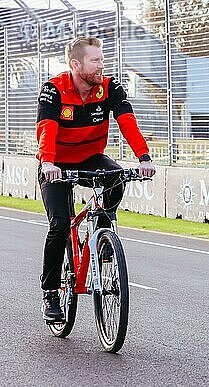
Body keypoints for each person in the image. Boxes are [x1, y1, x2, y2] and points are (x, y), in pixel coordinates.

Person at [36, 37, 156, 322]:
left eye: (102, 60)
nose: (102, 65)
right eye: (95, 61)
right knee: (60, 225)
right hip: (56, 162)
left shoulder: (110, 87)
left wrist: (144, 157)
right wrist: (49, 162)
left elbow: (128, 122)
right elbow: (46, 129)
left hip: (90, 157)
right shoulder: (54, 90)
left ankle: (103, 232)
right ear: (76, 64)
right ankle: (50, 293)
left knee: (116, 177)